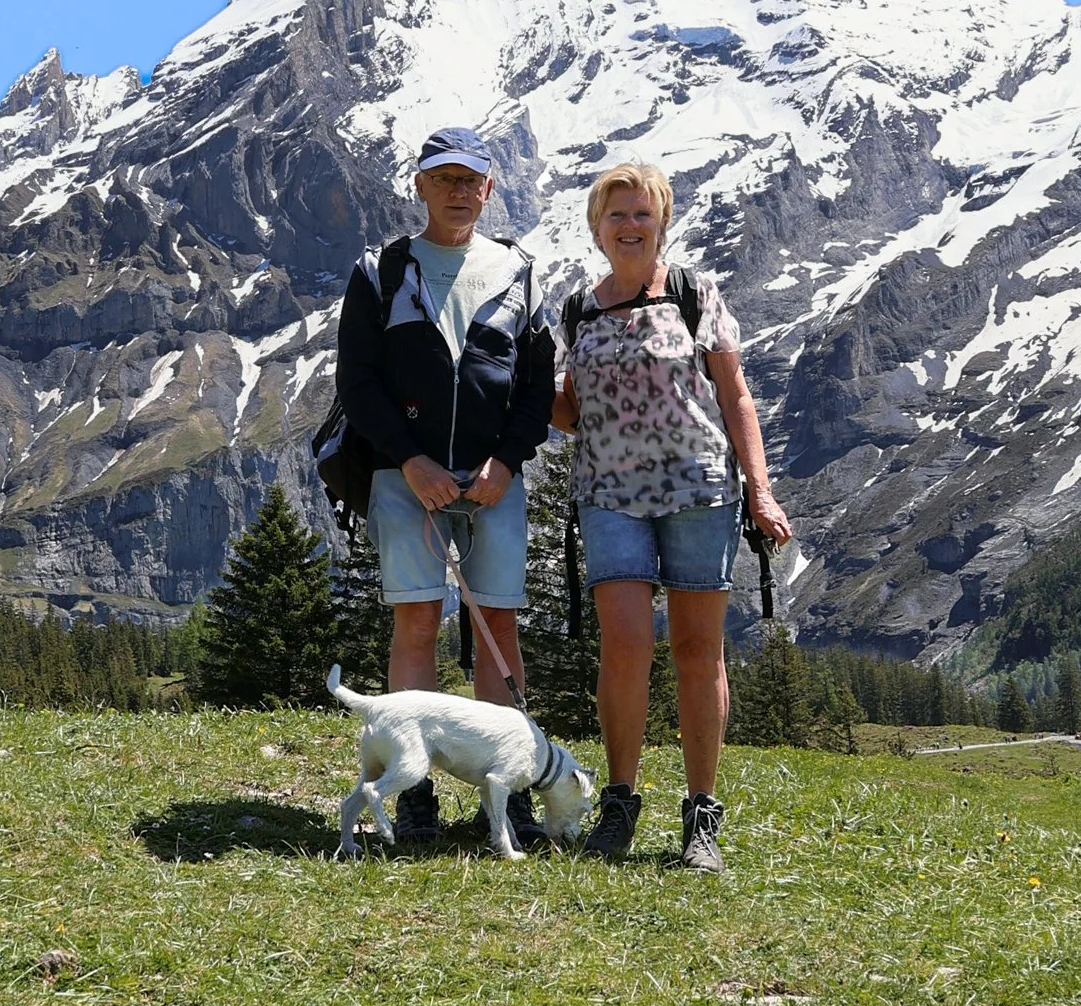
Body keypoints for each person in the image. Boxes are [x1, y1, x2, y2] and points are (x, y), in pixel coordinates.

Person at [552, 161, 792, 868]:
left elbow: (736, 397)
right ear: (597, 228)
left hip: (701, 493)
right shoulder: (578, 311)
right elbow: (571, 412)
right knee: (623, 646)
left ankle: (700, 817)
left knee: (697, 653)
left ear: (662, 222)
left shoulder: (697, 294)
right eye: (616, 215)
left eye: (642, 214)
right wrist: (528, 386)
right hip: (609, 497)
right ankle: (619, 801)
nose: (630, 226)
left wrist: (761, 489)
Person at [335, 127, 556, 845]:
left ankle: (512, 789)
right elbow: (358, 384)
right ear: (420, 185)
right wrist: (408, 459)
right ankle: (416, 794)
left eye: (472, 181)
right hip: (407, 479)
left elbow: (535, 386)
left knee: (497, 625)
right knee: (417, 622)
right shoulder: (379, 270)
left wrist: (508, 461)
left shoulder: (521, 273)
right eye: (445, 179)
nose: (459, 192)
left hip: (496, 481)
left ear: (490, 190)